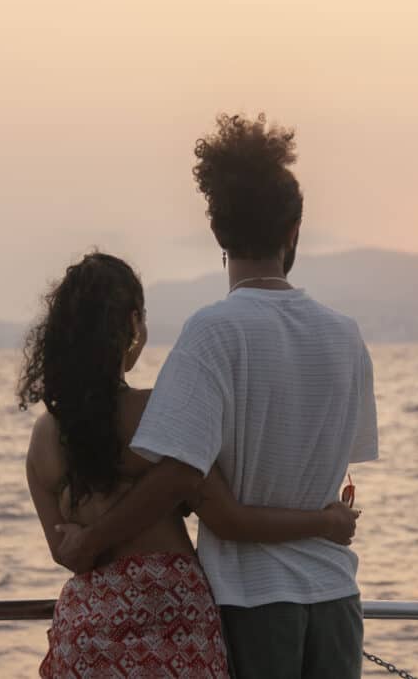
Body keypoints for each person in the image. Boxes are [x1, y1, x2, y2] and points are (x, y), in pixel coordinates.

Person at [56, 114, 379, 678]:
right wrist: (324, 525)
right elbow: (327, 472)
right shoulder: (345, 335)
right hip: (334, 599)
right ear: (293, 231)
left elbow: (180, 473)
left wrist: (89, 544)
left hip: (251, 603)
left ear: (218, 235)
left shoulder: (214, 331)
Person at [19, 251, 360, 678]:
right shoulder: (159, 414)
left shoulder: (43, 440)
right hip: (171, 617)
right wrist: (327, 523)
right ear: (133, 325)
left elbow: (66, 554)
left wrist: (87, 537)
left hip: (90, 628)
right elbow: (227, 517)